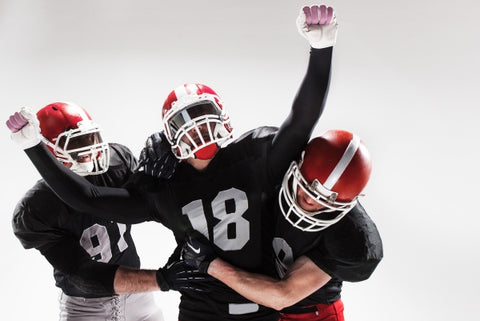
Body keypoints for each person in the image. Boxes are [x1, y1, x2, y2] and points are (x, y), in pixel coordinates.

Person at [6, 5, 338, 321]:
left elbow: (302, 121)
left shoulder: (250, 157)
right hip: (200, 309)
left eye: (205, 118)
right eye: (186, 124)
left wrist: (321, 50)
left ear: (226, 120)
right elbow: (88, 200)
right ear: (170, 139)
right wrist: (35, 148)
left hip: (260, 305)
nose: (199, 130)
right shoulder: (168, 187)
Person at [182, 129, 384, 321]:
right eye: (305, 186)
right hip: (261, 308)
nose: (309, 201)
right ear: (297, 164)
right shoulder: (274, 174)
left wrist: (210, 264)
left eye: (325, 201)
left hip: (311, 313)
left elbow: (282, 295)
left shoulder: (347, 235)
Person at [7, 102, 166, 320]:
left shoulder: (117, 163)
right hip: (85, 308)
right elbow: (83, 275)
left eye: (88, 138)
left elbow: (148, 210)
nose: (87, 151)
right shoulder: (38, 206)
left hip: (138, 299)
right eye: (75, 143)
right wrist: (165, 279)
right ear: (49, 148)